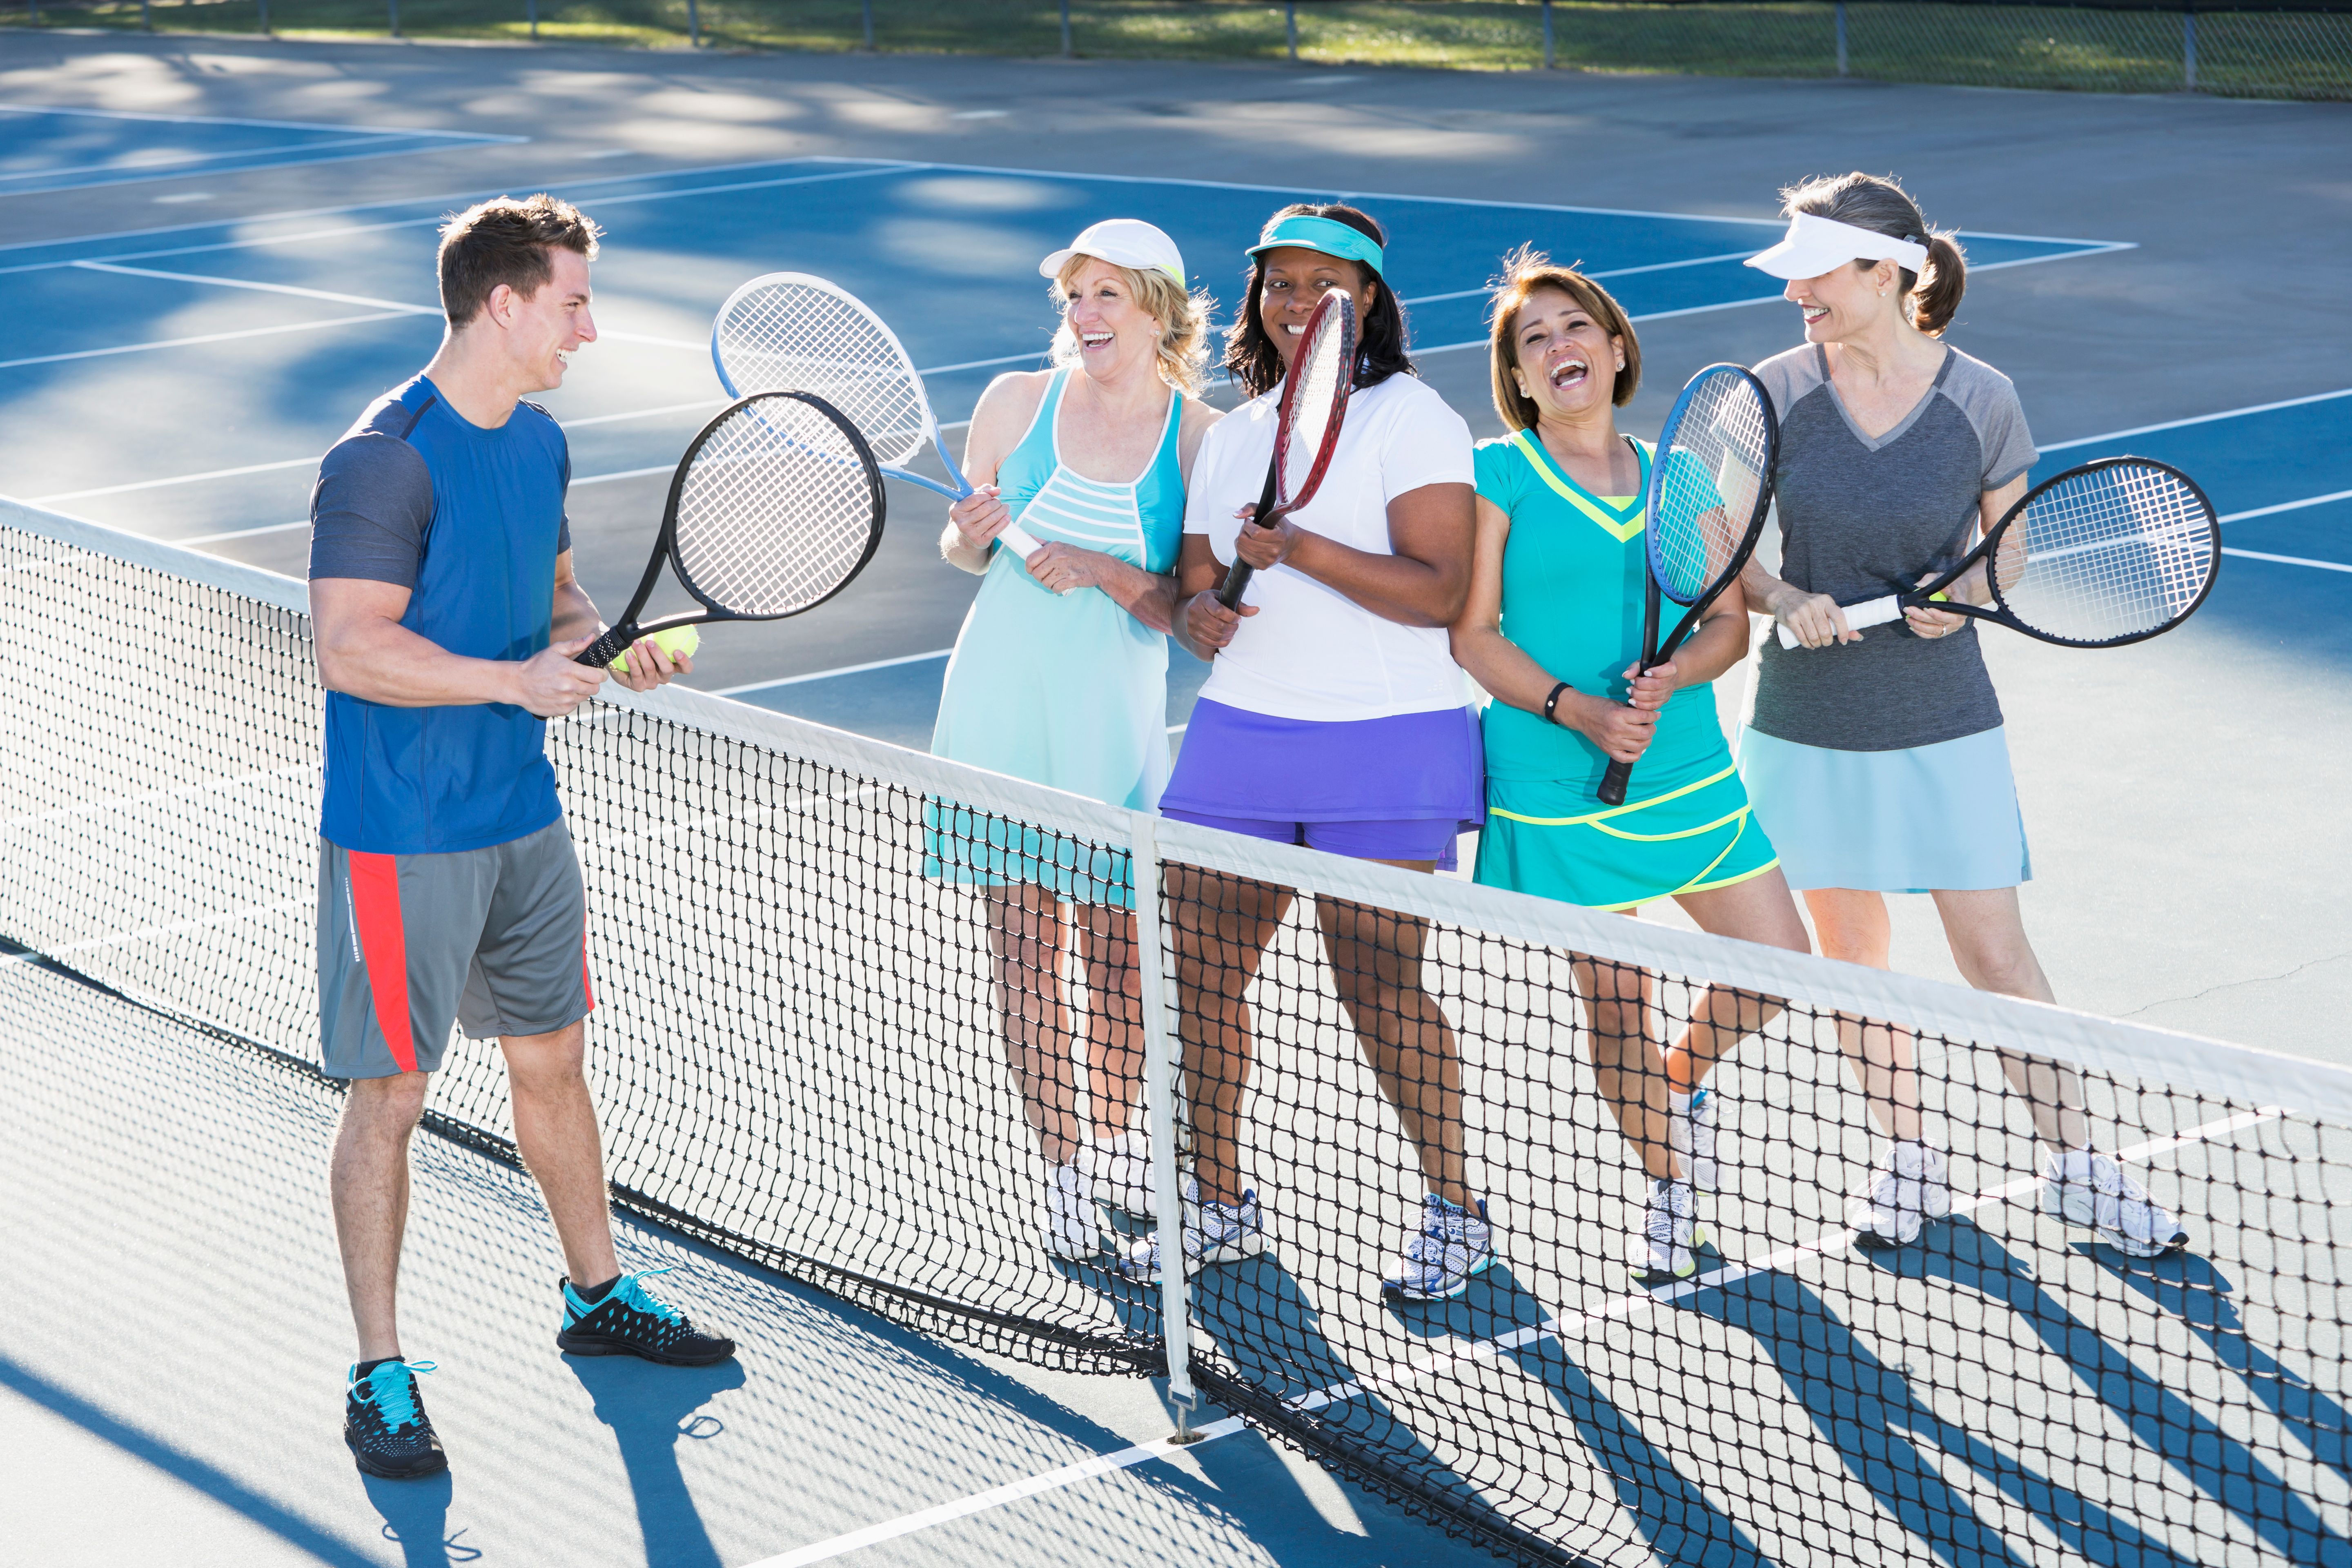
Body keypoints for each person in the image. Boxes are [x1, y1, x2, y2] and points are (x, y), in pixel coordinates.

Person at [309, 195, 733, 1483]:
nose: (589, 329)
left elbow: (557, 606)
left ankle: (597, 1295)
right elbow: (350, 647)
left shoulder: (539, 442)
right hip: (405, 833)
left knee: (553, 1061)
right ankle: (380, 1371)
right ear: (503, 304)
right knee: (392, 1095)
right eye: (573, 303)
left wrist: (612, 647)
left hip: (522, 821)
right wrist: (509, 685)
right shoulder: (385, 458)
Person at [1736, 171, 2189, 1258]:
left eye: (1815, 271)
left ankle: (2081, 1166)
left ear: (1882, 272)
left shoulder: (1982, 394)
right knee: (1852, 952)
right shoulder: (1774, 387)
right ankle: (1907, 1160)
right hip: (1810, 715)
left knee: (1994, 954)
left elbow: (2009, 550)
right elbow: (1726, 553)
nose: (1797, 290)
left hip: (1945, 710)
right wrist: (1784, 597)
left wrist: (1969, 596)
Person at [1452, 249, 1849, 1285]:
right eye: (1532, 341)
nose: (1558, 347)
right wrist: (1577, 709)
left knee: (1777, 972)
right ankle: (1673, 1196)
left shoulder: (1679, 477)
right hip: (1553, 780)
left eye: (1574, 326)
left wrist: (1667, 683)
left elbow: (1726, 626)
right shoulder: (1496, 477)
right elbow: (1475, 637)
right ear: (1521, 380)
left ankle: (1676, 1082)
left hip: (1685, 771)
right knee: (1614, 1006)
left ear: (1615, 348)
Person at [1124, 203, 1488, 1303]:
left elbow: (1441, 594)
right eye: (1279, 282)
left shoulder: (1414, 418)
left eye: (1324, 283)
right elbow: (1195, 584)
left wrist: (1307, 549)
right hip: (1243, 735)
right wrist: (1198, 615)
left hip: (1386, 742)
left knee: (1380, 992)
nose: (1297, 301)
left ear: (1367, 300)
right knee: (1196, 980)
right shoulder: (1235, 434)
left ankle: (1455, 1210)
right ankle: (1218, 1201)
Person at [930, 219, 1221, 1261]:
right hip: (1000, 709)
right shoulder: (1016, 403)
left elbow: (1186, 612)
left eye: (1107, 296)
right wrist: (970, 532)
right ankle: (1061, 1184)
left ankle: (1120, 1154)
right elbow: (965, 552)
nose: (1084, 316)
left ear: (1159, 311)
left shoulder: (1198, 437)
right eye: (1073, 297)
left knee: (1116, 958)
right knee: (1022, 951)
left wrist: (1099, 567)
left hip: (1114, 725)